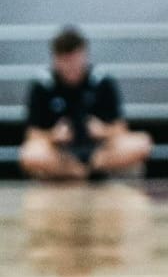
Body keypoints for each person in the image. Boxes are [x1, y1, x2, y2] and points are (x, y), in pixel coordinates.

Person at [19, 26, 153, 181]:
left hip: (99, 152)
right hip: (61, 154)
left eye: (75, 59)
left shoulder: (102, 81)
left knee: (141, 143)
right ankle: (75, 171)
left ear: (84, 55)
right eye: (65, 60)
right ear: (55, 59)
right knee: (30, 154)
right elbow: (32, 135)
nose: (71, 66)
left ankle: (86, 170)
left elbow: (121, 129)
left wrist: (103, 131)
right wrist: (53, 135)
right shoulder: (43, 85)